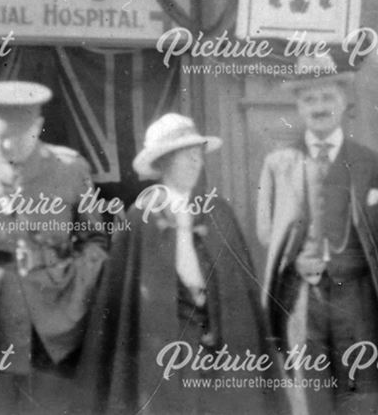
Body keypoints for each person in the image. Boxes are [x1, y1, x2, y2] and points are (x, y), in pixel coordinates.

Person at [79, 113, 287, 415]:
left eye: (198, 155)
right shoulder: (140, 217)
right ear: (163, 162)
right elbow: (124, 303)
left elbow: (240, 290)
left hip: (220, 343)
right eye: (185, 156)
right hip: (166, 342)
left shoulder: (218, 212)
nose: (195, 163)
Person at [0, 81, 108, 415]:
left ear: (38, 126)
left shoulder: (71, 169)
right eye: (1, 138)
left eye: (19, 137)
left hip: (54, 318)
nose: (9, 146)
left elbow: (96, 242)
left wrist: (76, 290)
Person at [257, 55, 378, 415]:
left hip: (359, 300)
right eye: (309, 99)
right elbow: (266, 231)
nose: (319, 107)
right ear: (299, 106)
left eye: (327, 97)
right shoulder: (279, 163)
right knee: (308, 399)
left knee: (361, 397)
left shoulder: (372, 163)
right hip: (302, 302)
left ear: (344, 101)